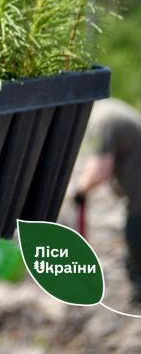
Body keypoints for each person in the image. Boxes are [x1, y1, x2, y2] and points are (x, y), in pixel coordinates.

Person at [72, 97, 141, 304]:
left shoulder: (101, 120)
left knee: (136, 247)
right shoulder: (107, 110)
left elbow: (100, 169)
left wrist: (80, 191)